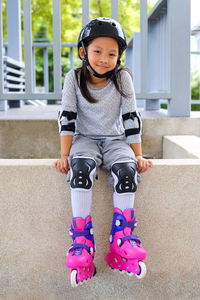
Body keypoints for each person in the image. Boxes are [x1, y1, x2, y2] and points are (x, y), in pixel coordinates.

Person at [54, 17, 152, 288]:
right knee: (81, 169)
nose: (104, 59)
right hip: (84, 139)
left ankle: (123, 240)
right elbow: (68, 118)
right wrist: (65, 155)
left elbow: (131, 118)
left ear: (119, 56)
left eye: (112, 53)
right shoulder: (74, 78)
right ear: (83, 51)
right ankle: (81, 242)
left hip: (115, 140)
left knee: (127, 171)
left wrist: (138, 155)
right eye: (97, 51)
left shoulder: (122, 78)